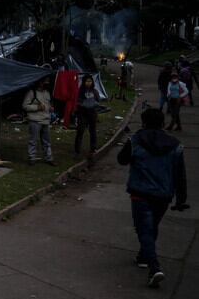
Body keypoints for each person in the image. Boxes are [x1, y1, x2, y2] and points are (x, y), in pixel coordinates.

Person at [117, 108, 188, 287]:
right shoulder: (175, 145)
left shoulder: (135, 141)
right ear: (162, 123)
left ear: (144, 122)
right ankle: (143, 256)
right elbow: (180, 175)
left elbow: (122, 160)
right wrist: (181, 199)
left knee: (144, 229)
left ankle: (154, 267)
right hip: (163, 195)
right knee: (151, 226)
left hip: (140, 193)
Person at [23, 77, 54, 165]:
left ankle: (49, 158)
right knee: (33, 140)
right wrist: (37, 107)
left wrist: (50, 108)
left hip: (46, 120)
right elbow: (25, 106)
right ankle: (32, 158)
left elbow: (47, 105)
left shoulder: (47, 93)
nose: (45, 84)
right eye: (44, 82)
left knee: (47, 141)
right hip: (35, 120)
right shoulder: (31, 92)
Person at [74, 75, 101, 157]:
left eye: (90, 81)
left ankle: (93, 148)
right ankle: (77, 150)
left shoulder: (94, 91)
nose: (88, 83)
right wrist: (84, 104)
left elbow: (98, 101)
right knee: (80, 131)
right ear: (84, 82)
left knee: (92, 131)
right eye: (87, 81)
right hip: (82, 114)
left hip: (92, 114)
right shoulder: (80, 91)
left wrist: (93, 104)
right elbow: (77, 102)